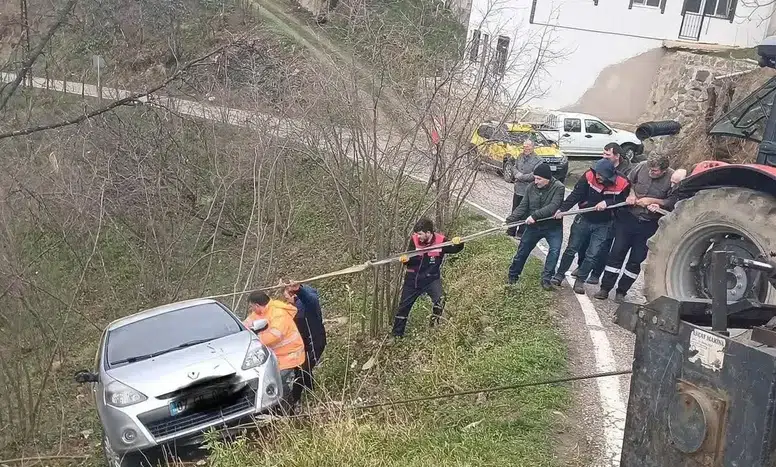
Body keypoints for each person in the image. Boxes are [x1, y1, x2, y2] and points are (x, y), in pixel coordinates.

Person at [594, 153, 674, 302]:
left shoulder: (672, 177)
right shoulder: (641, 167)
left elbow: (672, 201)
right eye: (650, 169)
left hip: (649, 224)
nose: (651, 172)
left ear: (664, 170)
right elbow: (628, 183)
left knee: (636, 260)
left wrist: (654, 202)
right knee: (616, 253)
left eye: (655, 171)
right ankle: (605, 288)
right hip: (628, 219)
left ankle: (622, 291)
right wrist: (630, 195)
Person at [549, 159, 630, 293]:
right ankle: (559, 275)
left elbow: (624, 201)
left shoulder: (623, 183)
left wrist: (607, 203)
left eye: (601, 175)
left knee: (592, 254)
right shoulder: (588, 176)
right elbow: (576, 195)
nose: (597, 176)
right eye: (596, 173)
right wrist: (562, 209)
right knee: (571, 248)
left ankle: (580, 281)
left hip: (604, 223)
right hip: (584, 218)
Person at [392, 218, 464, 338]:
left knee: (440, 300)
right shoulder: (414, 240)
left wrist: (459, 243)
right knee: (403, 308)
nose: (418, 236)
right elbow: (410, 259)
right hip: (413, 279)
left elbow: (454, 249)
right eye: (417, 234)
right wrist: (406, 260)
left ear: (428, 233)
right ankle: (396, 336)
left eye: (420, 234)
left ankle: (433, 326)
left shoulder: (441, 241)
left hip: (431, 279)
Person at [572, 142, 634, 284]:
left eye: (607, 154)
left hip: (612, 215)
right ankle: (581, 267)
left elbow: (627, 192)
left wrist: (610, 203)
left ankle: (596, 273)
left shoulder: (627, 171)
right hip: (593, 210)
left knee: (603, 246)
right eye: (603, 153)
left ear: (617, 156)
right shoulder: (600, 166)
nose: (604, 156)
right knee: (584, 243)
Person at [505, 163, 565, 290]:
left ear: (547, 178)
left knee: (554, 251)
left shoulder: (559, 187)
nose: (536, 181)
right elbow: (523, 206)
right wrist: (510, 220)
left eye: (539, 179)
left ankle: (546, 279)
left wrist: (534, 216)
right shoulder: (531, 187)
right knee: (522, 250)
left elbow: (553, 207)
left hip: (553, 227)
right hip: (534, 227)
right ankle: (512, 276)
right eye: (535, 178)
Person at [243, 291, 306, 409]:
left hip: (290, 355)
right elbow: (246, 324)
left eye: (252, 306)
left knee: (280, 382)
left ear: (257, 305)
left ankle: (288, 408)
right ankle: (279, 407)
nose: (251, 309)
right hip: (276, 357)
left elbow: (274, 336)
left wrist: (255, 340)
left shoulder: (278, 313)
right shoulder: (260, 313)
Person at [282, 281, 326, 398]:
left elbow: (311, 299)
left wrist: (299, 290)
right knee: (301, 369)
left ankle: (294, 399)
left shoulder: (308, 305)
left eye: (287, 298)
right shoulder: (294, 308)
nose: (287, 301)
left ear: (294, 295)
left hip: (315, 343)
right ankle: (313, 393)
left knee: (303, 370)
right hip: (303, 345)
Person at [503, 140, 543, 238]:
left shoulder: (538, 160)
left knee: (525, 212)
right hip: (518, 189)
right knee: (515, 210)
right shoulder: (520, 156)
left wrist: (521, 177)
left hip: (529, 190)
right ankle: (511, 230)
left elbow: (535, 174)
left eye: (528, 147)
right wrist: (516, 174)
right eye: (524, 147)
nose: (526, 149)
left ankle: (521, 232)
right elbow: (514, 167)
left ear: (532, 147)